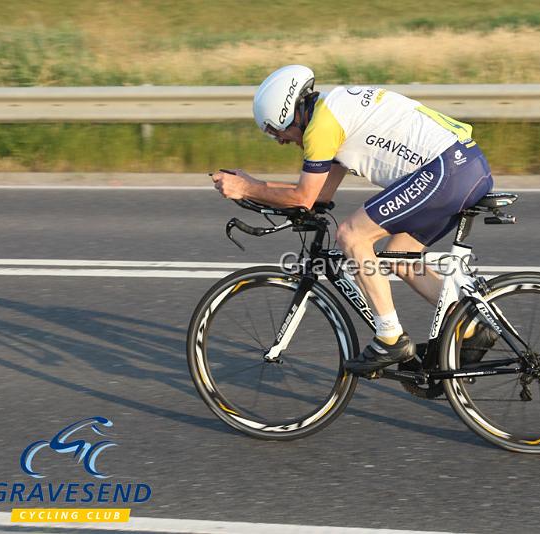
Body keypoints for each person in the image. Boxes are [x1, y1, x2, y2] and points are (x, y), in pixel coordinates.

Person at [212, 64, 496, 374]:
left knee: (352, 235)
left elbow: (304, 197)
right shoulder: (331, 114)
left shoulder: (322, 127)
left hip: (446, 170)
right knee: (400, 258)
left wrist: (246, 187)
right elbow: (319, 195)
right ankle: (471, 330)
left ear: (288, 114)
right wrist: (253, 190)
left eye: (275, 131)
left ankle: (390, 337)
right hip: (463, 166)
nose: (279, 141)